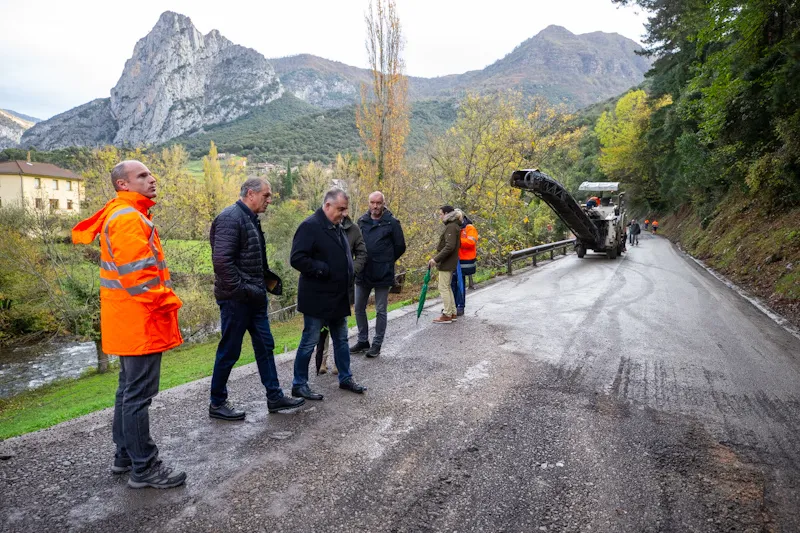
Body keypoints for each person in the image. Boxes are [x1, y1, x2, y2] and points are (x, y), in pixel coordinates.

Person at [72, 160, 186, 489]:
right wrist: (170, 302)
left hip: (130, 321)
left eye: (150, 173)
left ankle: (125, 455)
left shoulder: (126, 213)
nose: (152, 179)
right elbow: (140, 279)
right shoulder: (127, 218)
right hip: (140, 322)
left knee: (128, 390)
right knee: (138, 395)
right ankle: (144, 467)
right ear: (123, 184)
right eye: (143, 175)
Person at [208, 178, 305, 421]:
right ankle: (217, 403)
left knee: (265, 345)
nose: (269, 200)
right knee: (230, 351)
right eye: (266, 195)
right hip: (237, 300)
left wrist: (260, 286)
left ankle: (274, 396)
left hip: (255, 298)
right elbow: (222, 263)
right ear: (250, 194)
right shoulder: (230, 218)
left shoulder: (250, 218)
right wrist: (244, 291)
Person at [290, 188, 367, 398]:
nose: (344, 213)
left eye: (345, 209)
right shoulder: (309, 226)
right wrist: (323, 269)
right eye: (340, 209)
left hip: (338, 296)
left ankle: (345, 378)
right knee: (310, 341)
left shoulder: (337, 226)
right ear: (327, 205)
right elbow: (296, 258)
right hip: (316, 296)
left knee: (341, 339)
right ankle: (299, 384)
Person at [351, 191, 406, 358]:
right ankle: (363, 340)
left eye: (378, 203)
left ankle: (377, 343)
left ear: (383, 204)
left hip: (383, 272)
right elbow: (356, 244)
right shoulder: (362, 221)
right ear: (368, 203)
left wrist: (386, 259)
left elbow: (400, 246)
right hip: (363, 271)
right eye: (372, 203)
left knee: (381, 309)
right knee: (359, 307)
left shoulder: (392, 222)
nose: (375, 206)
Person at [317, 214, 367, 374]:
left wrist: (352, 271)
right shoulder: (319, 226)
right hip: (323, 284)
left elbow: (362, 253)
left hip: (344, 286)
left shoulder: (354, 229)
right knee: (322, 325)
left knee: (339, 326)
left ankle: (338, 363)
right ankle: (322, 360)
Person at [428, 206, 462, 324]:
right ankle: (452, 312)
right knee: (447, 287)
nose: (440, 217)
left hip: (447, 262)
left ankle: (447, 314)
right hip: (450, 261)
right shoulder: (454, 225)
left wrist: (435, 259)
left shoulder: (451, 227)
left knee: (443, 287)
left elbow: (449, 246)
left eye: (441, 214)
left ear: (447, 214)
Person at [450, 213, 478, 316]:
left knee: (460, 283)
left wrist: (457, 241)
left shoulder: (469, 228)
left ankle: (460, 306)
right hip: (455, 260)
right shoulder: (455, 228)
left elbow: (471, 242)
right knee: (452, 283)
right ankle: (453, 306)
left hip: (465, 260)